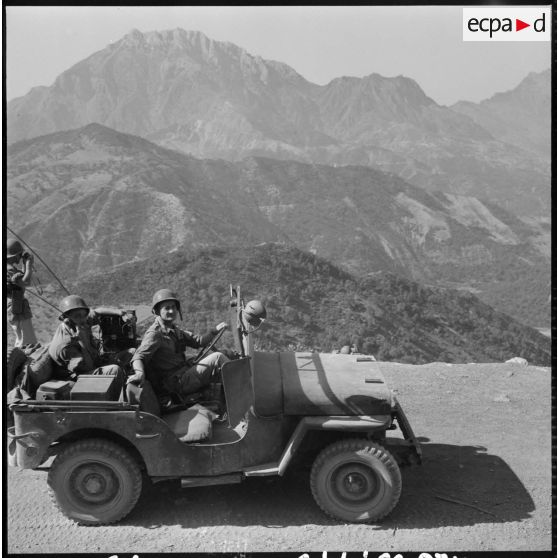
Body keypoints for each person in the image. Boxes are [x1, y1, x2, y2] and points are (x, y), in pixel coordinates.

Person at [128, 289, 229, 404]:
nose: (171, 310)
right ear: (157, 311)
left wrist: (215, 331)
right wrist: (139, 373)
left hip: (184, 373)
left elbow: (198, 341)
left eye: (174, 307)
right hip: (176, 384)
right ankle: (244, 394)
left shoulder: (174, 330)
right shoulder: (155, 333)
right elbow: (138, 356)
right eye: (167, 308)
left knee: (225, 354)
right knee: (217, 358)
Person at [48, 295, 134, 389]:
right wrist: (82, 341)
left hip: (93, 364)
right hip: (79, 379)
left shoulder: (81, 322)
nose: (83, 319)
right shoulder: (66, 344)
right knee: (114, 370)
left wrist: (120, 313)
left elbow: (97, 312)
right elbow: (87, 368)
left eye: (84, 314)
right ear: (66, 319)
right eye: (77, 316)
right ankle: (118, 399)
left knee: (131, 353)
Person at [6, 238, 37, 347]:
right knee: (26, 340)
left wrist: (25, 265)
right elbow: (25, 282)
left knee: (21, 338)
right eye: (20, 254)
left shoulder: (8, 268)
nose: (21, 256)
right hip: (17, 306)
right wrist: (28, 265)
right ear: (14, 256)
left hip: (14, 306)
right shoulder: (9, 269)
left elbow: (21, 279)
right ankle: (25, 361)